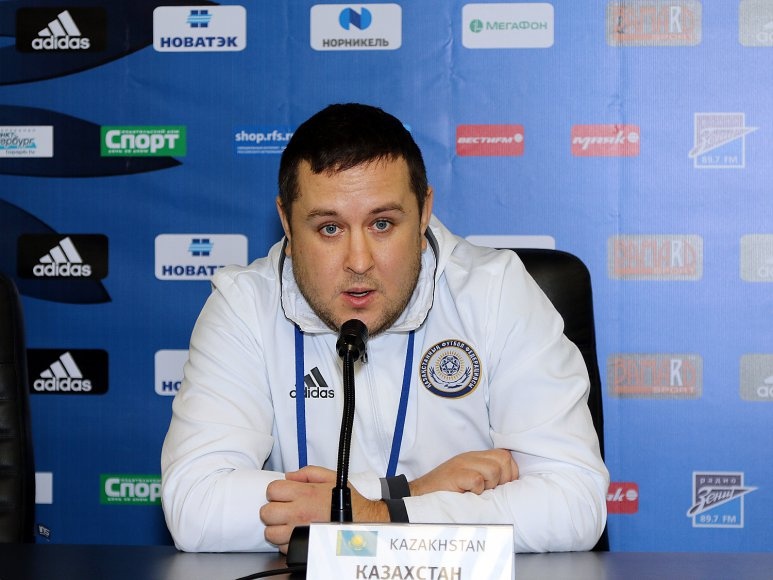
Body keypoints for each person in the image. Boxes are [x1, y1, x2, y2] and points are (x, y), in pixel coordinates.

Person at [161, 103, 609, 553]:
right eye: (330, 228)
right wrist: (401, 494)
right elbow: (196, 507)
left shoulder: (496, 291)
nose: (359, 262)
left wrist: (380, 515)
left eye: (382, 224)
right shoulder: (244, 305)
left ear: (424, 212)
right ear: (288, 224)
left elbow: (573, 504)